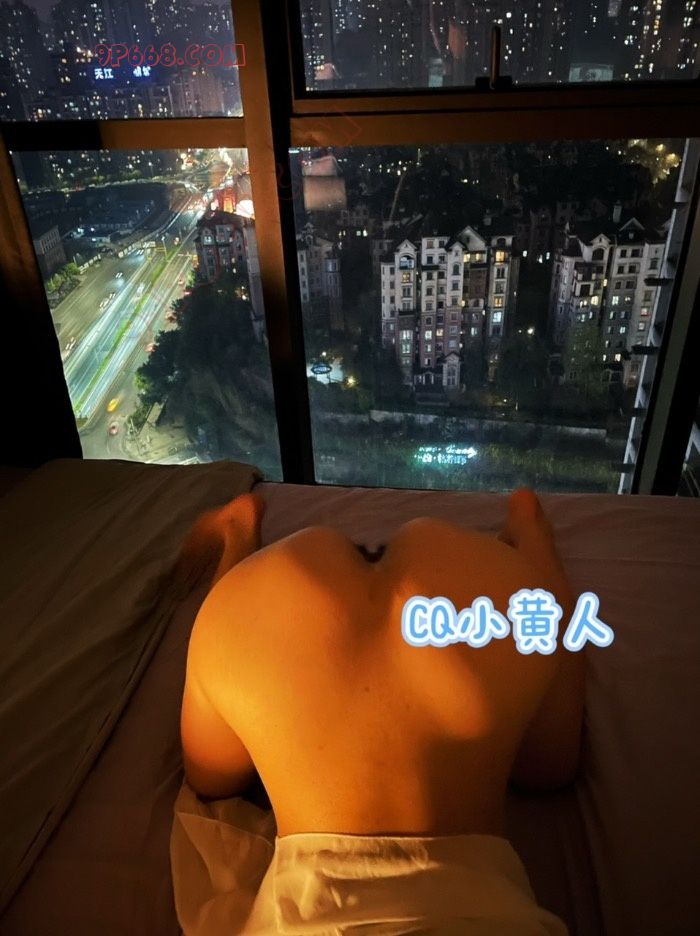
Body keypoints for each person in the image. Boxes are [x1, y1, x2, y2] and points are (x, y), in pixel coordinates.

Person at [175, 488, 584, 934]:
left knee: (550, 765)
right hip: (478, 593)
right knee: (549, 768)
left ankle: (529, 530)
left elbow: (211, 781)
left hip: (281, 604)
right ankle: (530, 529)